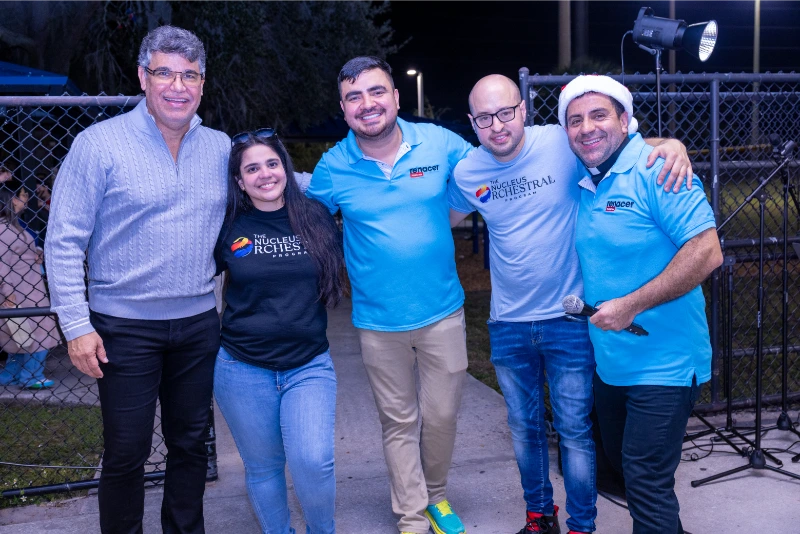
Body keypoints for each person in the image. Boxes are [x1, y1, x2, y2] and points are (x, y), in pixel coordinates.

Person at [447, 74, 693, 534]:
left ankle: (582, 525)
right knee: (524, 429)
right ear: (472, 122)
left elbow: (625, 143)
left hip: (569, 317)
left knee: (575, 430)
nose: (497, 126)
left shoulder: (561, 142)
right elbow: (435, 217)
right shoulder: (468, 173)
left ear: (523, 110)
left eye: (505, 113)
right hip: (507, 323)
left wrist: (672, 144)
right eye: (484, 118)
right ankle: (540, 517)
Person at [45, 26, 229, 533]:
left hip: (198, 323)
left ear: (202, 83)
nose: (178, 86)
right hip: (122, 329)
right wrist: (76, 326)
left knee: (191, 444)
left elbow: (274, 185)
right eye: (165, 73)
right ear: (144, 78)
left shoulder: (219, 147)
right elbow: (63, 241)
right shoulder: (98, 144)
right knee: (126, 451)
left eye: (190, 75)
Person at [307, 56, 473, 534]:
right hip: (379, 322)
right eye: (354, 97)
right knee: (398, 423)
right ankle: (412, 516)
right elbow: (307, 222)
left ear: (396, 98)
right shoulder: (333, 167)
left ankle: (436, 495)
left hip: (443, 311)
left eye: (377, 91)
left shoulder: (438, 142)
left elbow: (489, 168)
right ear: (343, 109)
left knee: (441, 416)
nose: (367, 104)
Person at [560, 75, 722, 533]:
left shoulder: (658, 169)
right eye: (575, 120)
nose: (587, 128)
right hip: (612, 363)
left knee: (646, 481)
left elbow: (707, 251)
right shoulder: (586, 178)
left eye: (599, 115)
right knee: (624, 471)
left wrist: (632, 304)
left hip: (666, 360)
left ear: (625, 121)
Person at [213, 130, 345, 534]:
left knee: (313, 460)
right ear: (239, 181)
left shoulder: (317, 217)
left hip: (308, 365)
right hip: (241, 368)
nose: (265, 174)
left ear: (286, 169)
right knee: (263, 466)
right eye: (252, 169)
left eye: (272, 164)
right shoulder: (226, 224)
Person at [0, 189, 58, 389]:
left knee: (19, 334)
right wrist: (8, 293)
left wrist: (36, 252)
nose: (24, 199)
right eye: (19, 196)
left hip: (26, 287)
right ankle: (31, 376)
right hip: (21, 291)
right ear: (9, 201)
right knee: (40, 330)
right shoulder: (3, 229)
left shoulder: (12, 225)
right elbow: (1, 265)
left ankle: (11, 375)